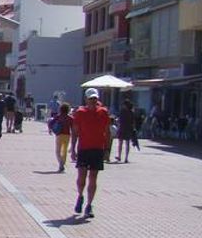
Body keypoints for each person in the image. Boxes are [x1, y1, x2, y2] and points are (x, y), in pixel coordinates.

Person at [71, 88, 112, 218]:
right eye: (91, 99)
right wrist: (73, 149)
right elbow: (75, 132)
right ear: (86, 100)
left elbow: (108, 132)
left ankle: (89, 205)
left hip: (97, 149)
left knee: (93, 178)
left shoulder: (103, 112)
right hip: (84, 148)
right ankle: (80, 195)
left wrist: (107, 150)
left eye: (95, 98)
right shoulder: (80, 112)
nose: (93, 101)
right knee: (81, 177)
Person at [50, 102, 73, 172]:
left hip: (59, 135)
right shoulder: (70, 118)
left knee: (58, 151)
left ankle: (61, 163)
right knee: (64, 150)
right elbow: (73, 127)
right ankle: (62, 163)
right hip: (67, 135)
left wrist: (51, 129)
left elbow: (51, 123)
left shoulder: (58, 116)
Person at [114, 98, 137, 163]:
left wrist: (117, 122)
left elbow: (119, 120)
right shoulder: (131, 112)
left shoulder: (122, 111)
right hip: (129, 129)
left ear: (125, 105)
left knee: (120, 143)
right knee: (127, 144)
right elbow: (133, 121)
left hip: (122, 128)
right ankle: (126, 158)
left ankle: (119, 156)